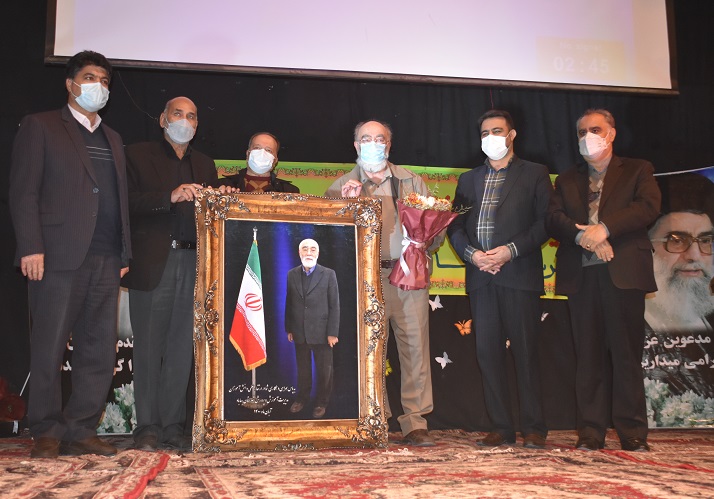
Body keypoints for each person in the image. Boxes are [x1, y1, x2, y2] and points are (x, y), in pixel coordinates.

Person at [9, 50, 131, 458]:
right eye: (91, 77)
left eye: (104, 80)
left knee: (99, 348)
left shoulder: (113, 138)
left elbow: (119, 199)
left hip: (106, 257)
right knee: (50, 344)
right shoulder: (41, 126)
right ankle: (46, 429)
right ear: (70, 83)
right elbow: (24, 191)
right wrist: (30, 246)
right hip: (56, 255)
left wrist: (124, 252)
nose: (99, 86)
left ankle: (81, 428)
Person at [546, 108, 661, 452]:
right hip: (582, 276)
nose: (587, 137)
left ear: (611, 133)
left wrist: (605, 229)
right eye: (581, 132)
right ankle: (590, 431)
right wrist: (585, 237)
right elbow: (553, 219)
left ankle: (632, 431)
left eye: (594, 130)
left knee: (626, 355)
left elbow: (648, 207)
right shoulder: (567, 179)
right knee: (588, 356)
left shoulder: (638, 169)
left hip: (623, 274)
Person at [325, 120, 442, 446]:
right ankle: (376, 418)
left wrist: (427, 237)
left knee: (415, 349)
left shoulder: (412, 182)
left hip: (409, 277)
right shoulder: (339, 186)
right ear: (356, 145)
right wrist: (346, 207)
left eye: (380, 139)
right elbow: (330, 239)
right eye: (366, 139)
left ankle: (415, 422)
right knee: (369, 350)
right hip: (365, 280)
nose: (373, 144)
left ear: (389, 145)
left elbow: (436, 236)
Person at [121, 96, 221, 451]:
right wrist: (170, 196)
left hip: (194, 263)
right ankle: (147, 427)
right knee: (149, 348)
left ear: (197, 125)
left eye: (191, 116)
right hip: (153, 263)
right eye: (178, 114)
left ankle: (173, 426)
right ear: (163, 119)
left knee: (182, 348)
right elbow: (125, 203)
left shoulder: (205, 164)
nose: (184, 121)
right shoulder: (136, 154)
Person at [448, 110, 552, 448]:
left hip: (518, 274)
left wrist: (509, 251)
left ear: (512, 135)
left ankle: (533, 428)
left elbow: (544, 223)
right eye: (484, 133)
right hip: (481, 277)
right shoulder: (468, 179)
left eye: (497, 131)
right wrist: (473, 255)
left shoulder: (534, 173)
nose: (490, 137)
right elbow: (455, 226)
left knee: (526, 353)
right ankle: (502, 427)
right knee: (487, 353)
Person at [643, 209, 714, 397]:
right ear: (646, 249)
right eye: (676, 241)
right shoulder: (621, 326)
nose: (694, 256)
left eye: (705, 241)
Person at [285, 239, 340, 418]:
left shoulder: (329, 274)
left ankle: (321, 402)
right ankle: (302, 399)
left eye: (313, 249)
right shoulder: (291, 274)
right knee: (303, 370)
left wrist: (332, 333)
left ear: (318, 253)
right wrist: (289, 328)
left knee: (324, 371)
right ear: (299, 253)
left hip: (323, 333)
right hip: (299, 331)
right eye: (305, 249)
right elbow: (289, 302)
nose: (309, 252)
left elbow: (334, 305)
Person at [220, 132, 299, 193]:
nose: (262, 153)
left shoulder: (289, 191)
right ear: (248, 154)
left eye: (268, 150)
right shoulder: (223, 184)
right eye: (257, 148)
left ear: (275, 160)